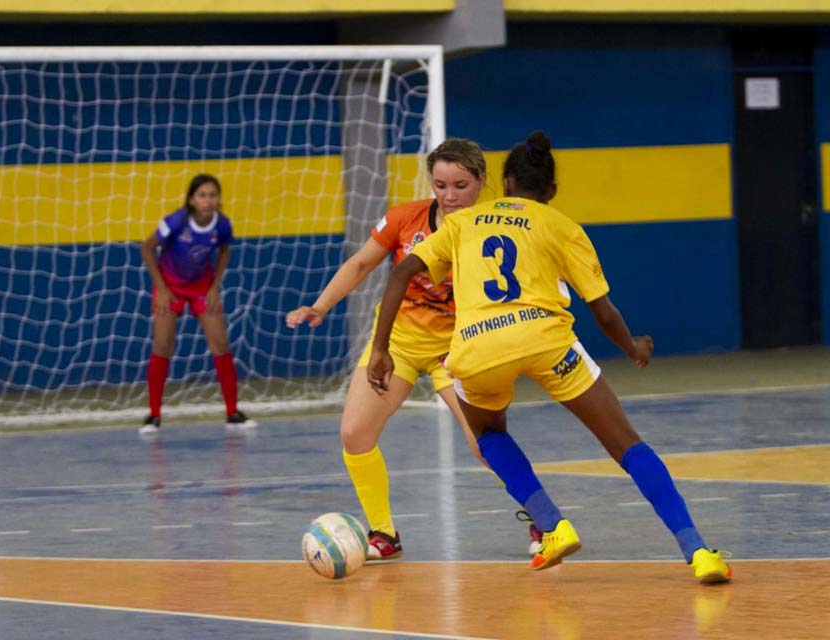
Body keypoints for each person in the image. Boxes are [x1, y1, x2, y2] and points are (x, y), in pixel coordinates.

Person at [366, 130, 733, 584]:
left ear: (502, 181)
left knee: (487, 433)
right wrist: (632, 347)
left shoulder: (461, 224)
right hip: (546, 341)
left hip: (478, 348)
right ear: (552, 191)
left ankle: (553, 525)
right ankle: (698, 550)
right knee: (627, 444)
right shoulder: (562, 226)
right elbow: (603, 309)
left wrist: (380, 348)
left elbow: (402, 271)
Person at [287, 138, 542, 561]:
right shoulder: (405, 219)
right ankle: (384, 534)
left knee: (485, 444)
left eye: (460, 185)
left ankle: (543, 519)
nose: (449, 195)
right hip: (399, 344)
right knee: (355, 433)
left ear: (482, 181)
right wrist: (319, 306)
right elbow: (361, 264)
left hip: (460, 349)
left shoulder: (496, 229)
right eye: (440, 185)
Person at [139, 173, 257, 436]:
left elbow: (225, 250)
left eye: (213, 195)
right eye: (202, 195)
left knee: (220, 343)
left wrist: (215, 286)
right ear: (192, 199)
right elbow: (147, 248)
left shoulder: (222, 225)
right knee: (162, 345)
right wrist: (162, 289)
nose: (208, 200)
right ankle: (154, 415)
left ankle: (232, 412)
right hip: (170, 286)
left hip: (202, 287)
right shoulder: (175, 222)